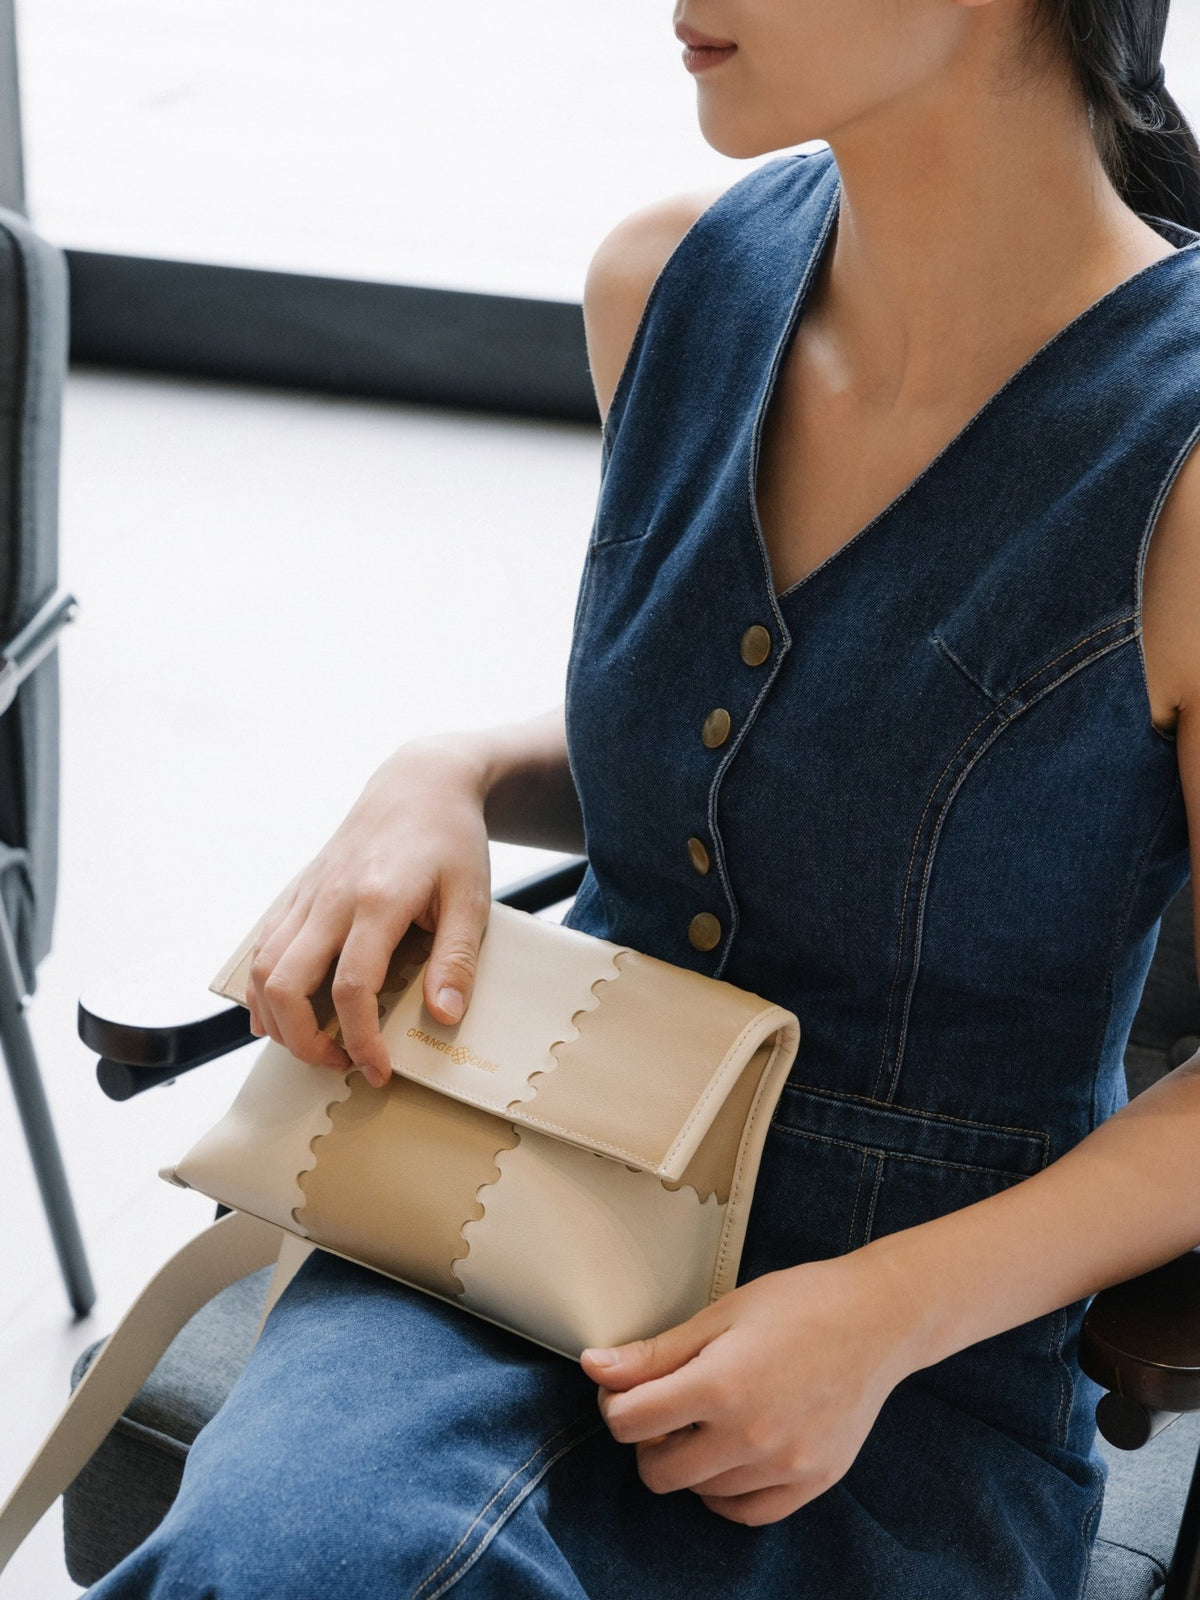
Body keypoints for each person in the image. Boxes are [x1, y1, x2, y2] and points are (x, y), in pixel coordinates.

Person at [88, 1, 1200, 1596]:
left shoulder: (1180, 456)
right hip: (514, 1194)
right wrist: (449, 768)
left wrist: (888, 1314)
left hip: (911, 1357)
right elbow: (770, 751)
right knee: (306, 1562)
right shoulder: (667, 284)